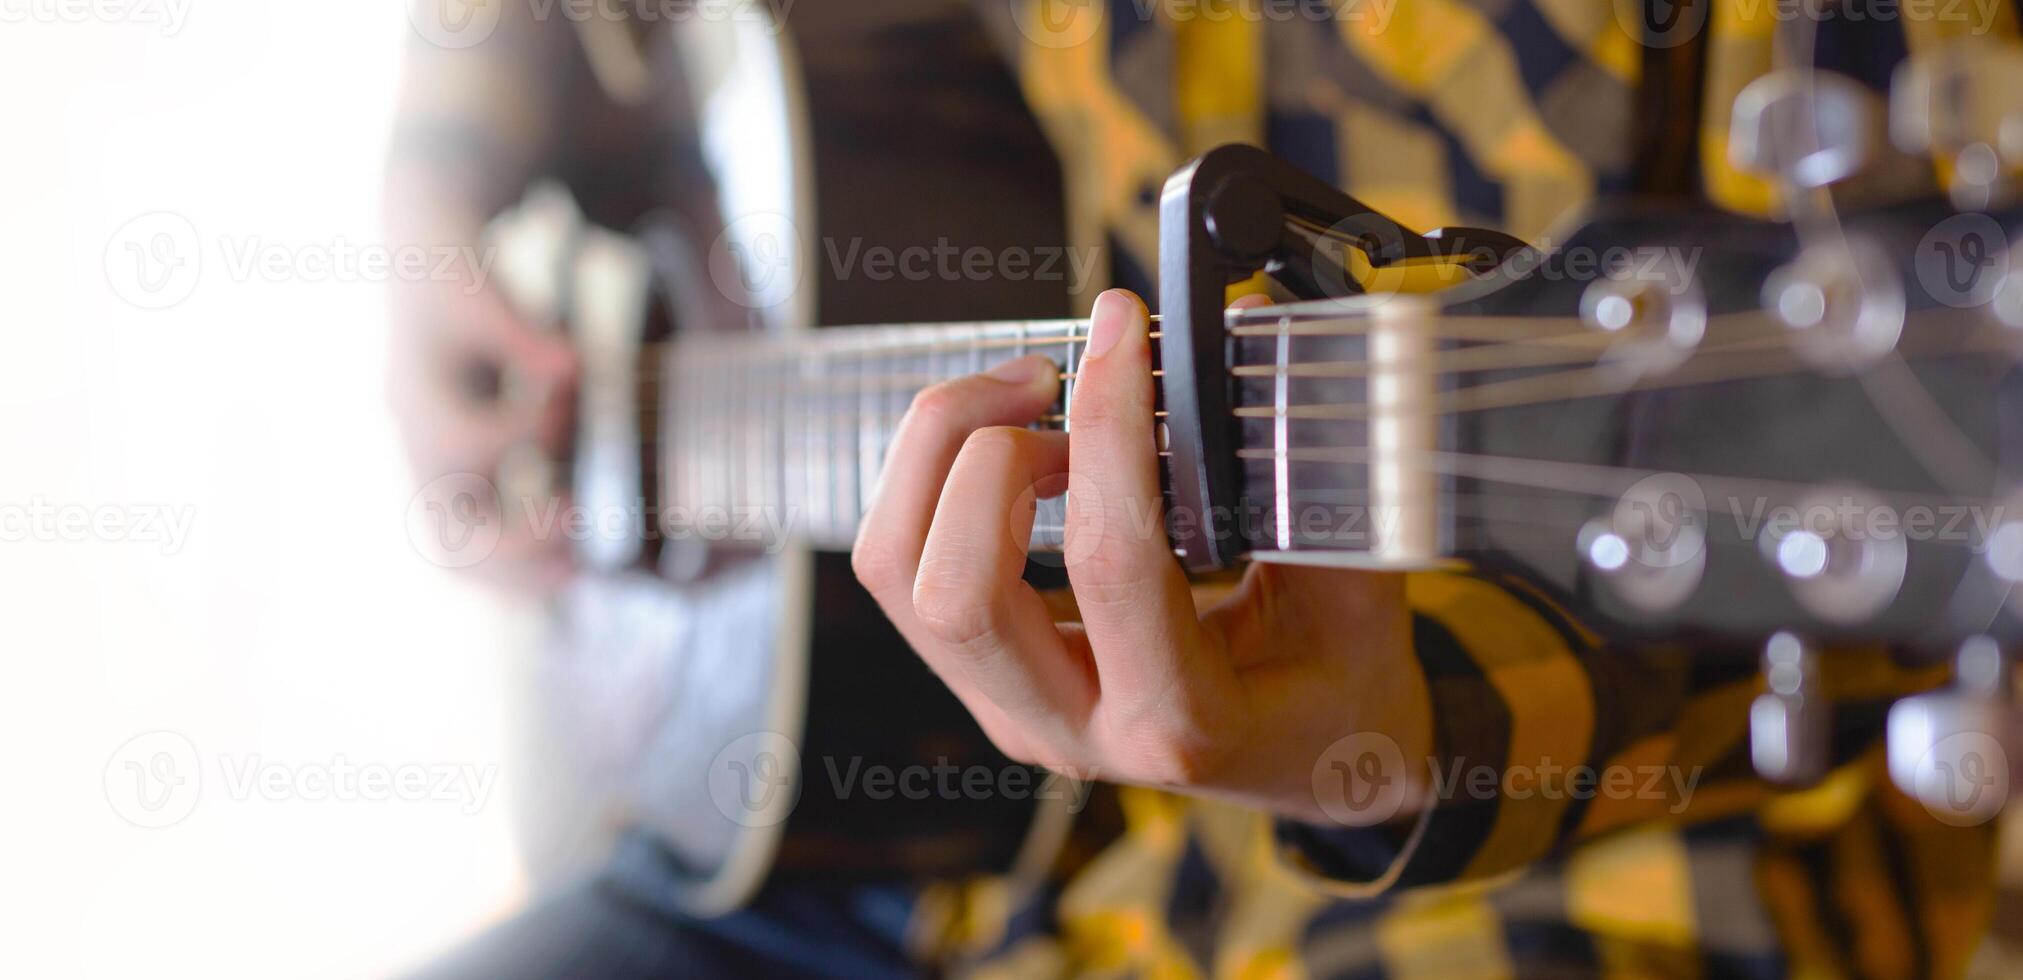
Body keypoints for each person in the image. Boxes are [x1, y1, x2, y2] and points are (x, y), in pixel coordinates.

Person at [389, 1, 2016, 975]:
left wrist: (1391, 745)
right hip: (823, 795)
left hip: (1477, 889)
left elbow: (1807, 530)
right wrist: (442, 171)